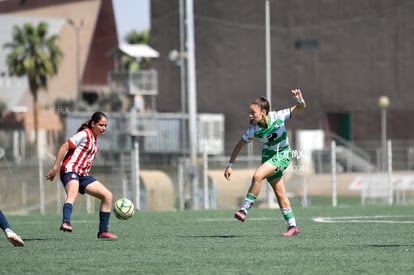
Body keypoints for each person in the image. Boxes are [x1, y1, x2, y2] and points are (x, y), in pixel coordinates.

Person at [224, 89, 306, 237]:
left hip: (282, 155)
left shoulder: (278, 116)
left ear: (263, 112)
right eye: (249, 112)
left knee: (257, 176)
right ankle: (293, 226)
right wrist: (230, 165)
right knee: (280, 194)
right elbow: (239, 145)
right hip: (268, 158)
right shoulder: (253, 129)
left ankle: (244, 209)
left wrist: (299, 100)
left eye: (252, 112)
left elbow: (300, 107)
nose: (250, 115)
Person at [46, 111, 117, 239]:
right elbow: (64, 146)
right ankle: (66, 222)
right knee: (73, 193)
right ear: (93, 124)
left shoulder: (94, 139)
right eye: (101, 125)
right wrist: (55, 168)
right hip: (70, 170)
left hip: (83, 175)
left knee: (108, 196)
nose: (103, 128)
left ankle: (103, 232)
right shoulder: (84, 134)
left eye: (105, 126)